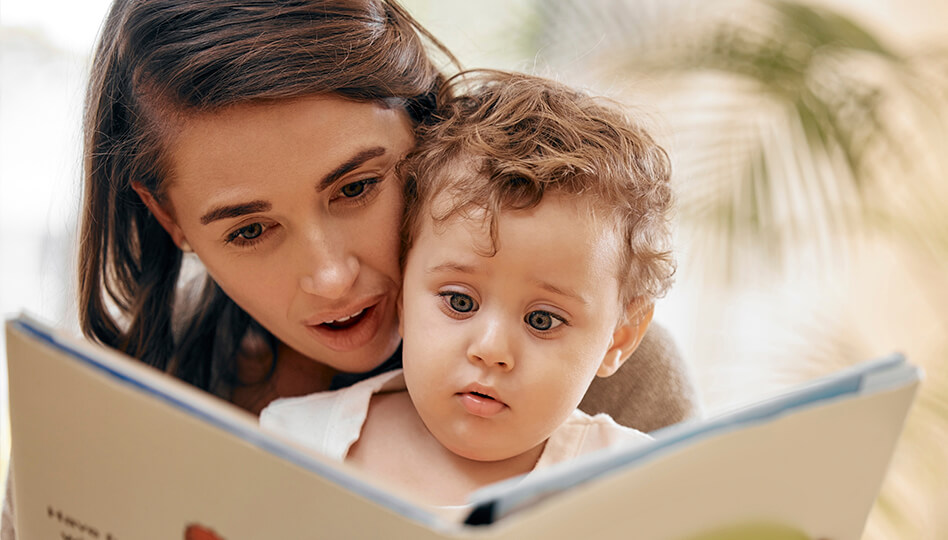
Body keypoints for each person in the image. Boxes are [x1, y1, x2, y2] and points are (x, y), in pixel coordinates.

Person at [3, 0, 699, 536]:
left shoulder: (612, 373)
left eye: (357, 187)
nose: (333, 278)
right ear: (171, 222)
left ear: (423, 127)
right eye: (250, 230)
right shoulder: (105, 408)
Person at [260, 70, 675, 511]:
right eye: (460, 302)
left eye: (542, 320)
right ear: (402, 293)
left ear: (619, 338)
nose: (491, 349)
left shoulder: (635, 485)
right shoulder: (295, 443)